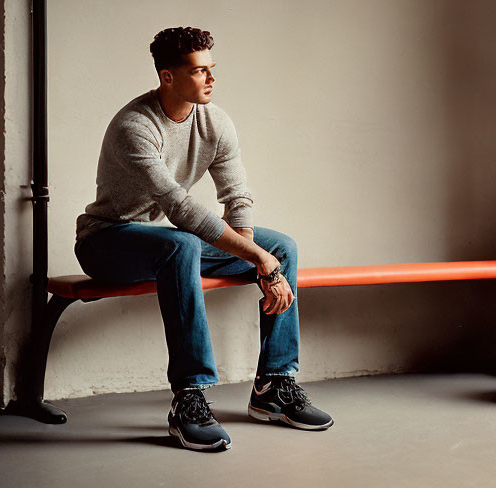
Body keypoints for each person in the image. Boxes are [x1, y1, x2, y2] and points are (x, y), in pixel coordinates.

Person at [74, 26, 332, 452]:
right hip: (110, 241)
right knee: (186, 244)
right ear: (167, 76)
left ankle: (274, 385)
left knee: (280, 246)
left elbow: (236, 196)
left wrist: (259, 258)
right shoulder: (135, 126)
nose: (211, 79)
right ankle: (189, 398)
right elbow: (182, 210)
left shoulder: (215, 122)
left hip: (171, 242)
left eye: (212, 69)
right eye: (199, 71)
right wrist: (257, 260)